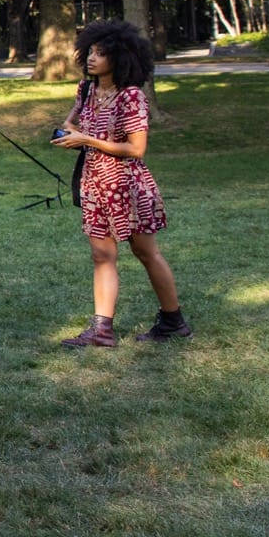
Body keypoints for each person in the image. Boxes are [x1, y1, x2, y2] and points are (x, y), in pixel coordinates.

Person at [52, 19, 189, 347]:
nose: (92, 58)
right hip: (95, 184)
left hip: (127, 186)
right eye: (90, 52)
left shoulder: (131, 97)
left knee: (146, 252)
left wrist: (88, 139)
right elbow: (71, 120)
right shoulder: (87, 90)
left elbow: (136, 149)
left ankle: (173, 321)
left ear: (121, 57)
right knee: (102, 256)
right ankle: (102, 330)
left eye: (101, 53)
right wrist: (71, 133)